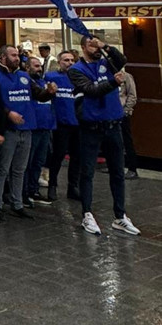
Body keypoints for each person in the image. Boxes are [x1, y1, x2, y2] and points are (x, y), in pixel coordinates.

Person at [68, 34, 140, 236]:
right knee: (88, 172)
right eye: (92, 45)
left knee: (118, 172)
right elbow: (90, 90)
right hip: (91, 127)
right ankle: (87, 214)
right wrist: (113, 83)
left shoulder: (107, 62)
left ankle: (120, 216)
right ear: (83, 48)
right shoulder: (76, 70)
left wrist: (105, 45)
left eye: (97, 44)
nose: (96, 48)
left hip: (113, 124)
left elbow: (122, 60)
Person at [0, 45, 54, 221]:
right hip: (8, 130)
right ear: (2, 57)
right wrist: (8, 113)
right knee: (2, 169)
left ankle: (17, 203)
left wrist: (49, 92)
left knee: (19, 169)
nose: (17, 58)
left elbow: (38, 95)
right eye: (13, 55)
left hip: (27, 127)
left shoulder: (24, 76)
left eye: (18, 55)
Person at [45, 50, 80, 201]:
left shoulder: (78, 79)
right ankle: (52, 185)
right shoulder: (51, 77)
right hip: (60, 124)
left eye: (72, 60)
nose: (69, 63)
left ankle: (73, 187)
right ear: (59, 62)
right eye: (66, 60)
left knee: (77, 157)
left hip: (77, 123)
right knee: (57, 156)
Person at [24, 56, 56, 206]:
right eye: (35, 66)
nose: (39, 68)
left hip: (46, 127)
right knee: (28, 162)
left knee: (39, 161)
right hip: (33, 126)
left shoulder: (44, 82)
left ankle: (34, 189)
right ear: (27, 67)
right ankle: (25, 191)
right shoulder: (27, 83)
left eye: (40, 66)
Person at [119, 65, 139, 179]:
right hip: (110, 113)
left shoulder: (126, 76)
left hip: (122, 113)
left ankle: (132, 168)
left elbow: (132, 95)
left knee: (127, 140)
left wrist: (126, 110)